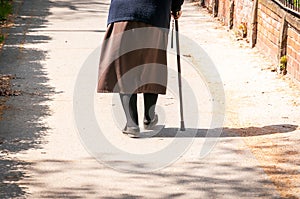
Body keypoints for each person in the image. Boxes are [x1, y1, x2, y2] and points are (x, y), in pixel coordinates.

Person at [97, 0, 184, 137]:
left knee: (124, 68)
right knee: (152, 67)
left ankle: (132, 124)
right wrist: (176, 6)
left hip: (123, 12)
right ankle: (149, 118)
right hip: (155, 14)